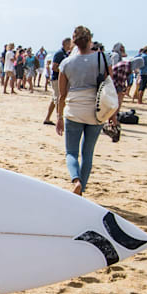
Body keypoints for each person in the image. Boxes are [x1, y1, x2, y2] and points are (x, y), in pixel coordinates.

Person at [56, 25, 117, 196]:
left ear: (74, 43)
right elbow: (109, 88)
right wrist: (113, 116)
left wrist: (59, 117)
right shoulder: (103, 58)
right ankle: (81, 190)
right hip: (96, 111)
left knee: (71, 153)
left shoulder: (66, 63)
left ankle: (76, 180)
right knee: (87, 153)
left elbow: (61, 94)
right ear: (90, 40)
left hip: (74, 110)